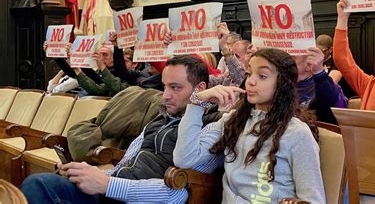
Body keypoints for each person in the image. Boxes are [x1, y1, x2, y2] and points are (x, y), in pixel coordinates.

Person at [21, 55, 222, 204]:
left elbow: (181, 190)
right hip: (114, 191)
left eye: (175, 88)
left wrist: (107, 185)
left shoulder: (213, 126)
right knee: (40, 185)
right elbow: (126, 164)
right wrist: (88, 174)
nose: (165, 96)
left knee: (38, 187)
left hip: (135, 197)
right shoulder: (161, 118)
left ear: (200, 89)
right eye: (165, 87)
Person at [174, 48, 326, 203]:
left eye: (262, 76)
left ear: (283, 83)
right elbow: (184, 158)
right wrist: (197, 103)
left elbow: (314, 199)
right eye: (249, 73)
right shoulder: (233, 120)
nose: (250, 81)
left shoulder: (297, 133)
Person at [294, 46, 348, 124]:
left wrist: (319, 73)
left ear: (308, 65)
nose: (285, 62)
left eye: (292, 59)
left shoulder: (326, 87)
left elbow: (330, 110)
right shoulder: (282, 86)